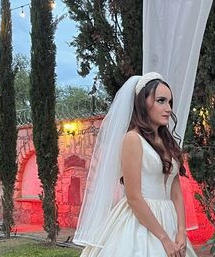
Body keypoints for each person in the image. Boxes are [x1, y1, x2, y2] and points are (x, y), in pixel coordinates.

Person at [74, 72, 197, 257]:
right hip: (141, 222)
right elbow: (134, 197)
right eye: (161, 101)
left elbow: (176, 193)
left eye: (170, 102)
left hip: (169, 219)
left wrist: (181, 232)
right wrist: (164, 239)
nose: (168, 108)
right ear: (142, 103)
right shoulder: (132, 139)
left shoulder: (167, 142)